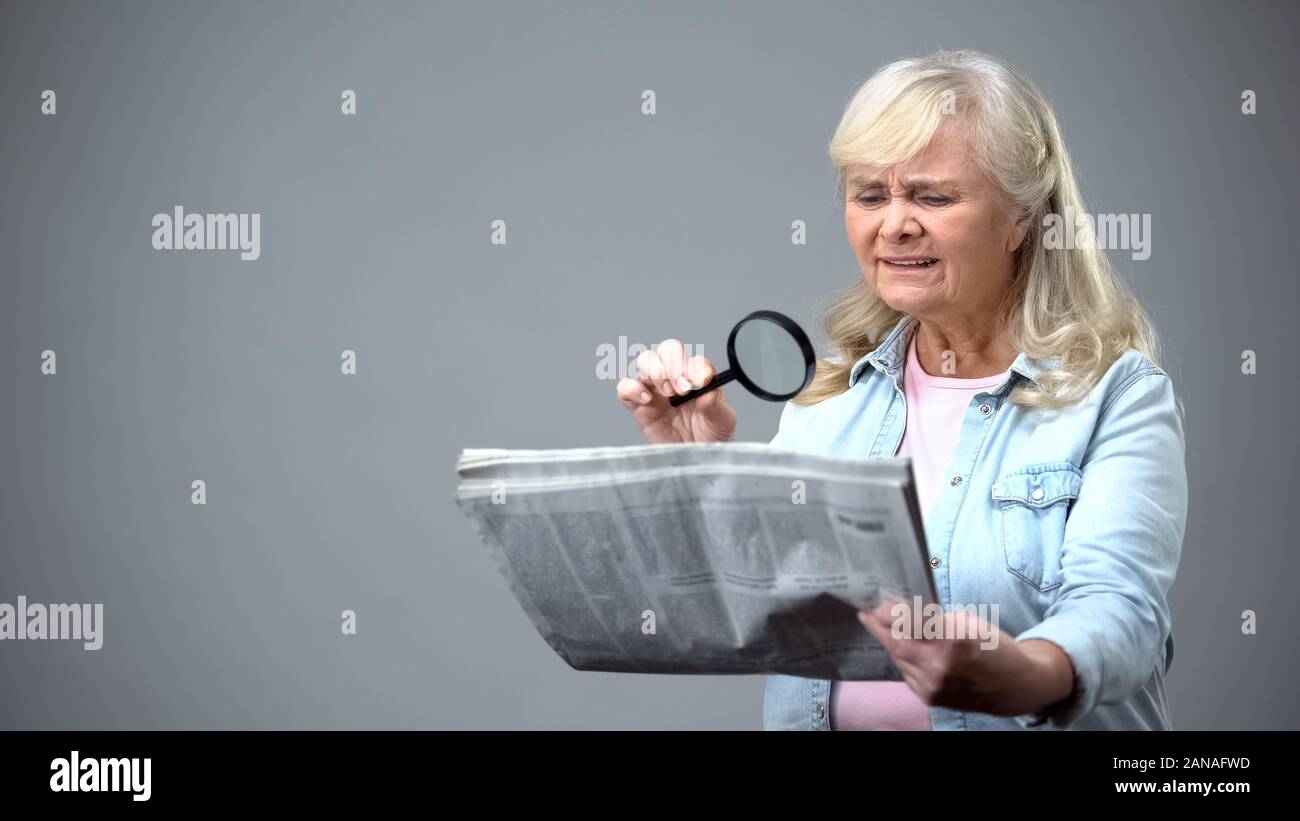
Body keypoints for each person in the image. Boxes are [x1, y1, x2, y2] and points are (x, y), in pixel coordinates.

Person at [614, 49, 1187, 731]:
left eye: (933, 195)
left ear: (1021, 218)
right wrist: (698, 468)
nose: (894, 224)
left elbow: (1122, 613)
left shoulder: (1117, 396)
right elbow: (738, 612)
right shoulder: (822, 405)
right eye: (869, 195)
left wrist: (1027, 675)